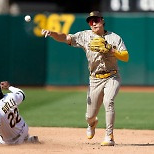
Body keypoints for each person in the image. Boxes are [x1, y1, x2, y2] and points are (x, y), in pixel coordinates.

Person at [41, 11, 129, 146]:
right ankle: (92, 124)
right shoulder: (85, 36)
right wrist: (52, 33)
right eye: (90, 21)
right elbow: (65, 37)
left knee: (109, 101)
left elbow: (126, 57)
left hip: (112, 75)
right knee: (89, 116)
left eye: (96, 20)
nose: (93, 23)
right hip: (95, 79)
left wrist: (112, 51)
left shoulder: (114, 38)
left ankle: (109, 136)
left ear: (102, 20)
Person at [0, 80, 39, 144]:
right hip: (24, 130)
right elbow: (22, 94)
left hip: (11, 141)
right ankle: (27, 140)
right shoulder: (10, 96)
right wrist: (9, 87)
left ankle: (24, 141)